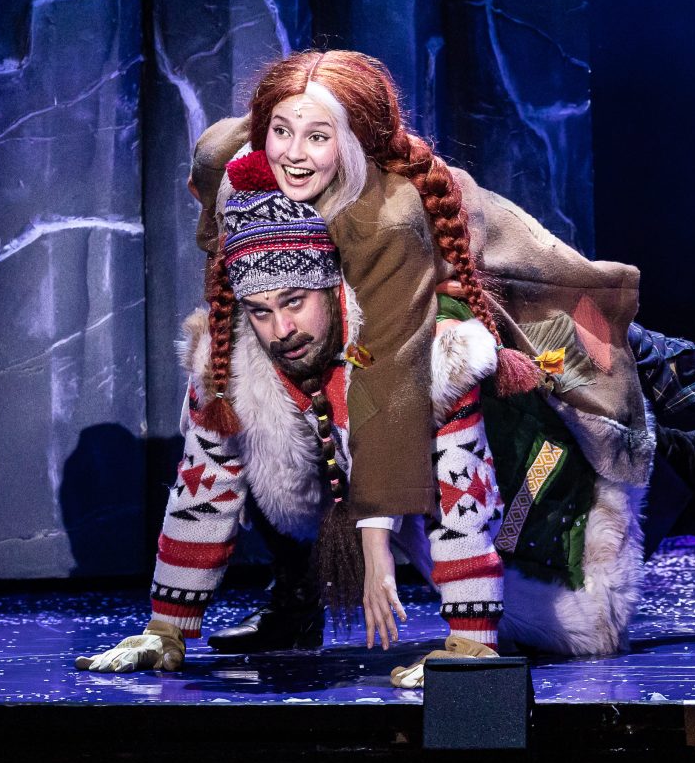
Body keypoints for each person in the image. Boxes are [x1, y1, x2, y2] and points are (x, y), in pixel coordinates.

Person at [185, 51, 695, 641]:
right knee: (254, 384)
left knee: (628, 409)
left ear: (355, 139)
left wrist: (374, 545)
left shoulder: (392, 215)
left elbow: (395, 364)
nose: (291, 154)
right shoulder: (241, 165)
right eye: (279, 132)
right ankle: (297, 595)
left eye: (315, 137)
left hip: (510, 301)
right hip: (394, 330)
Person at [78, 156, 652, 684]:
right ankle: (293, 603)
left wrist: (472, 642)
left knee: (682, 479)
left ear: (331, 286)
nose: (282, 330)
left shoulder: (414, 348)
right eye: (261, 311)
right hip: (422, 481)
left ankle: (677, 391)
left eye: (294, 301)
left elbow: (463, 491)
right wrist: (166, 629)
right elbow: (203, 491)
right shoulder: (230, 366)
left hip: (543, 451)